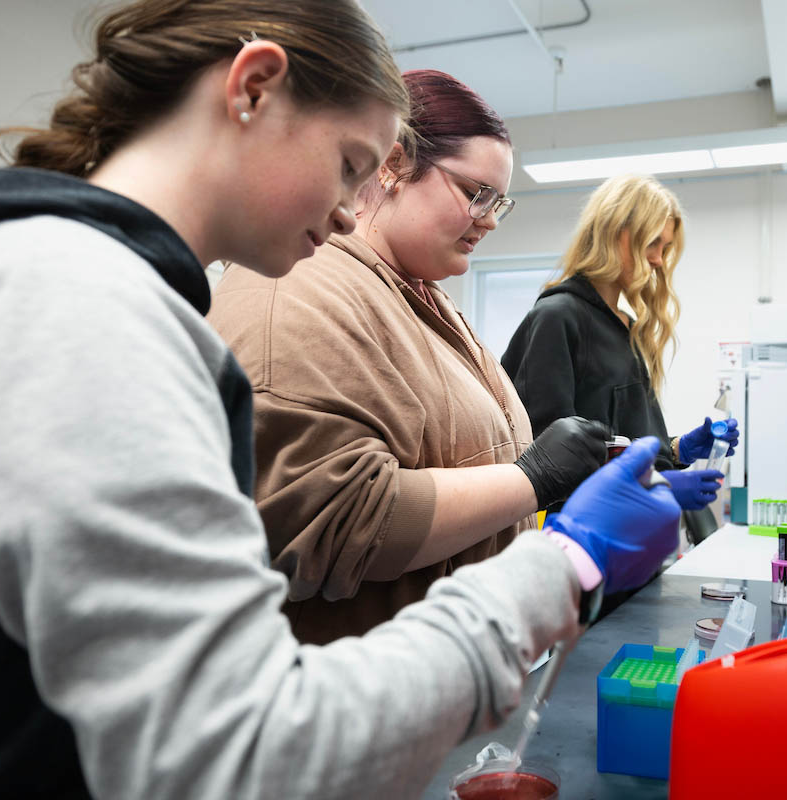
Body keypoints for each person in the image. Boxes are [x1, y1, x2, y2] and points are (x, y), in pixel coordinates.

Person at [0, 2, 679, 798]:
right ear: (253, 89)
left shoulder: (106, 293)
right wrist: (556, 566)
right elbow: (245, 750)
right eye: (352, 164)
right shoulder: (82, 304)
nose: (355, 208)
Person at [207, 69, 610, 644]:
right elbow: (336, 521)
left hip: (455, 670)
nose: (490, 219)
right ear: (394, 164)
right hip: (359, 697)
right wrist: (532, 479)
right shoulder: (297, 286)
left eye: (501, 202)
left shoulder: (418, 292)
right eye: (477, 194)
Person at [502, 173, 740, 513]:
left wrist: (676, 450)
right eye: (653, 243)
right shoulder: (558, 318)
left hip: (629, 536)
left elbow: (622, 441)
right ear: (617, 235)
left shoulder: (623, 325)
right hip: (576, 541)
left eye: (665, 247)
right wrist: (655, 485)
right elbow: (547, 464)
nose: (658, 259)